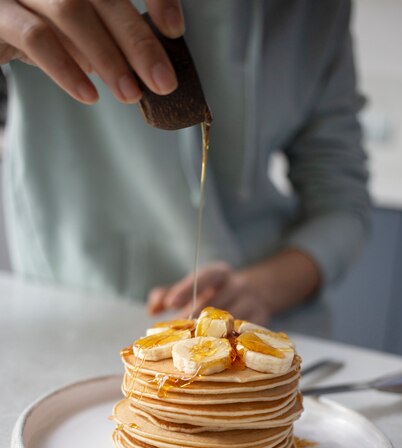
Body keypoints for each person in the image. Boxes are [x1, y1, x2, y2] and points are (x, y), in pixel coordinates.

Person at [0, 0, 371, 334]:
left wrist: (258, 289)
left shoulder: (321, 12)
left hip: (266, 324)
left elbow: (342, 205)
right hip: (74, 315)